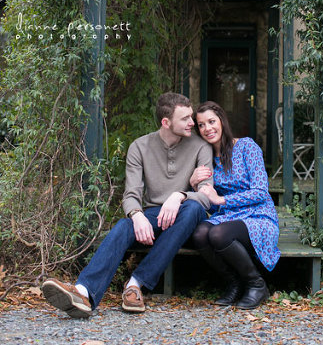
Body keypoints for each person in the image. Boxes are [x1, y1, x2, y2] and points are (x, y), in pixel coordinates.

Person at [41, 92, 213, 317]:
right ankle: (83, 292)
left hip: (187, 218)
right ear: (166, 122)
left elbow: (206, 195)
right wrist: (137, 214)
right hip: (154, 215)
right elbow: (131, 194)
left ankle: (135, 285)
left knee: (193, 208)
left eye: (191, 116)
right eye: (185, 118)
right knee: (124, 225)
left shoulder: (201, 147)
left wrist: (179, 195)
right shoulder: (140, 147)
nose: (192, 123)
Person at [189, 101, 280, 309]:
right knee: (200, 233)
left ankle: (256, 284)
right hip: (228, 216)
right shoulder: (207, 158)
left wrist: (223, 200)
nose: (207, 128)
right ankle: (233, 283)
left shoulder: (247, 146)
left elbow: (260, 191)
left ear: (222, 120)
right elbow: (211, 204)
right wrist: (195, 185)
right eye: (201, 125)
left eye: (211, 121)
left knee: (218, 234)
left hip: (258, 215)